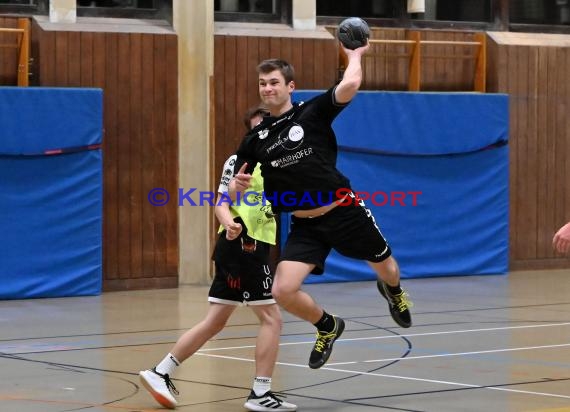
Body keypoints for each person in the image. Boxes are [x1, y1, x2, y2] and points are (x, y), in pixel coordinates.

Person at [230, 41, 413, 371]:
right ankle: (327, 326)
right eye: (262, 83)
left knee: (388, 269)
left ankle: (394, 292)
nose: (267, 88)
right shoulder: (255, 139)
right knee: (283, 290)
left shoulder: (310, 112)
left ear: (290, 86)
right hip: (306, 224)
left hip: (344, 211)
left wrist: (355, 54)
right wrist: (235, 186)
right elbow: (234, 180)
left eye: (274, 82)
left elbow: (351, 84)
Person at [139, 106, 297, 411]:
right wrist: (229, 222)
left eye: (268, 126)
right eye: (257, 128)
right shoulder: (242, 161)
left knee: (214, 322)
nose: (263, 132)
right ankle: (260, 393)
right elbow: (222, 201)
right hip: (244, 245)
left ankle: (161, 371)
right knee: (272, 319)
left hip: (245, 243)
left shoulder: (277, 161)